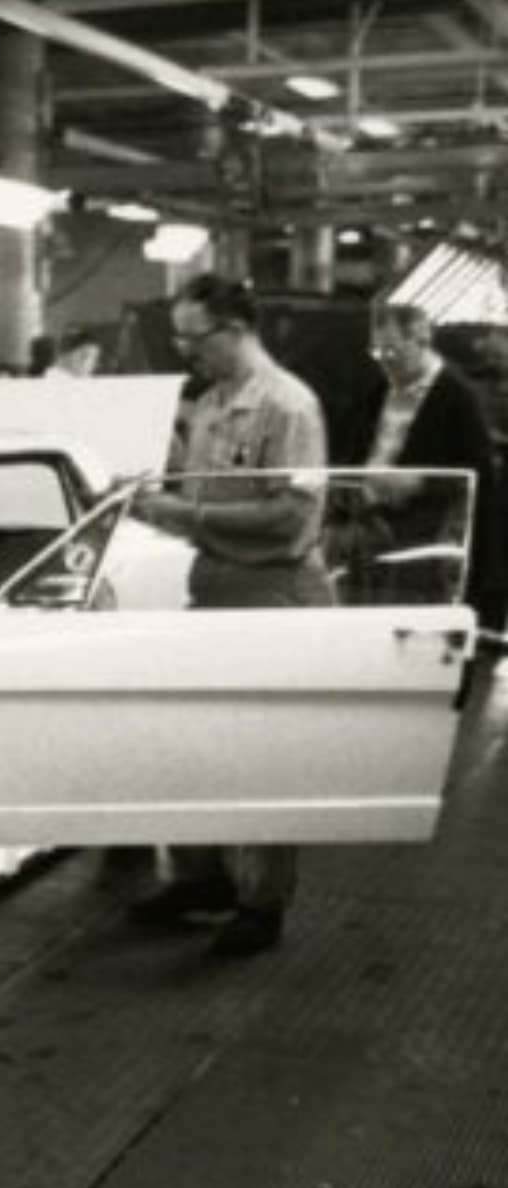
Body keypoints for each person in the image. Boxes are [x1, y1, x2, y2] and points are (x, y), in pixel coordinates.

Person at [129, 273, 332, 957]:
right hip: (216, 588)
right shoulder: (211, 406)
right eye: (180, 338)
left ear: (237, 330)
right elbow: (188, 493)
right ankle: (204, 876)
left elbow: (292, 517)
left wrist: (189, 514)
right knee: (190, 740)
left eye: (195, 338)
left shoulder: (290, 408)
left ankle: (261, 902)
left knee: (265, 754)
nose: (186, 352)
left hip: (275, 593)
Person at [335, 303, 498, 614]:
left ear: (421, 341)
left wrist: (420, 483)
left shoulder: (458, 398)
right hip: (369, 533)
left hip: (422, 543)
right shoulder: (378, 393)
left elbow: (480, 482)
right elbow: (354, 454)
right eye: (377, 353)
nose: (384, 362)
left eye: (392, 352)